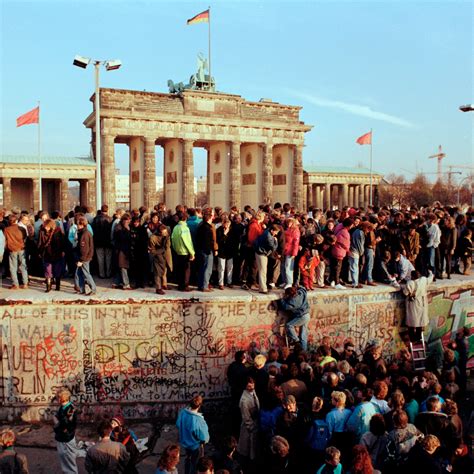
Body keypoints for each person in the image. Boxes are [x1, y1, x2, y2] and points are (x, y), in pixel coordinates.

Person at [176, 395, 210, 474]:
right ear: (199, 405)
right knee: (195, 463)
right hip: (195, 446)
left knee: (188, 459)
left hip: (185, 444)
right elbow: (204, 438)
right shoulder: (198, 420)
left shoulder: (183, 412)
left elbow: (178, 424)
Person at [401, 270, 434, 342]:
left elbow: (405, 293)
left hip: (414, 303)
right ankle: (418, 337)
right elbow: (430, 278)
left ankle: (412, 338)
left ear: (412, 276)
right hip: (422, 302)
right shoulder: (424, 280)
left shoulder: (410, 283)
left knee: (412, 321)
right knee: (420, 321)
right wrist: (430, 273)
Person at [53, 388, 81, 474]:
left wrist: (56, 422)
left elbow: (66, 424)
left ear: (63, 398)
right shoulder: (63, 407)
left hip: (66, 438)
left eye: (58, 397)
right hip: (62, 437)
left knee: (69, 459)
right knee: (64, 458)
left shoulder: (70, 409)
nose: (57, 399)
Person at [277, 285, 310, 350]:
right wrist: (297, 286)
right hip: (307, 315)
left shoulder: (293, 302)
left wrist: (281, 299)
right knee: (303, 336)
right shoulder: (301, 292)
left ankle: (296, 340)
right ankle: (304, 352)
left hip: (302, 317)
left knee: (289, 325)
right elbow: (303, 288)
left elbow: (285, 306)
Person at [38, 218, 65, 292]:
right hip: (46, 253)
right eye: (45, 226)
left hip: (56, 253)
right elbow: (40, 242)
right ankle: (48, 287)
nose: (46, 228)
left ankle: (57, 285)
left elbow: (62, 242)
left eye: (47, 226)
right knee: (48, 270)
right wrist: (40, 252)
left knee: (57, 270)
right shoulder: (42, 231)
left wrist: (63, 251)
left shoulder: (58, 231)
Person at [171, 211, 195, 291]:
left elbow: (173, 239)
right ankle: (185, 286)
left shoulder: (176, 227)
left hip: (178, 252)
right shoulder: (185, 228)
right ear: (185, 218)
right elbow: (187, 242)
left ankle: (180, 285)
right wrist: (192, 252)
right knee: (186, 270)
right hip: (185, 252)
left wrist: (175, 249)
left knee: (180, 269)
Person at [237, 377, 260, 463]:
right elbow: (246, 418)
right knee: (248, 449)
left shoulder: (252, 392)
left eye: (253, 386)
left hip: (255, 423)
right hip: (250, 428)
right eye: (249, 387)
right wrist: (252, 428)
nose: (252, 388)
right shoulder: (244, 401)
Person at [253, 224, 280, 294]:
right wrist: (276, 241)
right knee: (263, 271)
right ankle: (263, 289)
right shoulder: (269, 237)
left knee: (262, 270)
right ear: (272, 231)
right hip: (261, 253)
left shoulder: (266, 231)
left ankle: (262, 287)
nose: (276, 234)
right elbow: (273, 247)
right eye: (276, 232)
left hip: (260, 252)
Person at [196, 209, 218, 292]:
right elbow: (208, 241)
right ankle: (205, 286)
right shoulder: (208, 228)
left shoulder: (200, 225)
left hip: (200, 250)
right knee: (208, 269)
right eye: (211, 218)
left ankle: (200, 285)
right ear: (209, 219)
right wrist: (209, 251)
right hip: (207, 251)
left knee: (202, 268)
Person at [4, 214, 28, 289]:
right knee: (23, 266)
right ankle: (25, 284)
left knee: (13, 267)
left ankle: (15, 284)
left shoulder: (7, 229)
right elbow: (25, 237)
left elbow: (5, 240)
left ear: (9, 221)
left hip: (12, 249)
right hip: (21, 248)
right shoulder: (22, 229)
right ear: (17, 221)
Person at [74, 216, 96, 295]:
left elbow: (84, 249)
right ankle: (82, 289)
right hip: (85, 257)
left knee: (86, 274)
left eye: (78, 224)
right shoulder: (85, 232)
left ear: (82, 224)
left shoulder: (84, 234)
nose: (77, 226)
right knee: (80, 273)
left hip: (84, 258)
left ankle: (93, 289)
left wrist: (81, 260)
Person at [149, 224, 172, 295]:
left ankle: (164, 284)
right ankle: (158, 288)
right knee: (157, 273)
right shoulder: (153, 238)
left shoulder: (167, 237)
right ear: (159, 232)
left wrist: (165, 239)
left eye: (166, 232)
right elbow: (152, 250)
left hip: (165, 256)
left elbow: (167, 247)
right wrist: (158, 251)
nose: (165, 234)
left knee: (164, 270)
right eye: (163, 233)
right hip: (157, 256)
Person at [92, 205, 113, 279]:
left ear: (101, 210)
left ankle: (101, 274)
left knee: (100, 259)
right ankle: (108, 273)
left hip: (98, 241)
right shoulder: (110, 219)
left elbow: (93, 231)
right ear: (107, 210)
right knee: (108, 259)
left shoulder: (95, 219)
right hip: (108, 242)